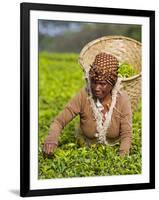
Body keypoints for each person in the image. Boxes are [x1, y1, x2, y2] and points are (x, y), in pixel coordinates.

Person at [43, 52, 132, 157]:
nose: (96, 88)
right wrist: (52, 138)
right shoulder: (83, 95)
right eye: (94, 82)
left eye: (102, 84)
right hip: (86, 151)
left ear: (112, 83)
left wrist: (122, 158)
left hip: (114, 151)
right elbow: (59, 121)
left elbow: (126, 134)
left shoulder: (122, 99)